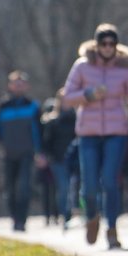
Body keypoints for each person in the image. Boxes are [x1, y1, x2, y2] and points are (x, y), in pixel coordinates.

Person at [62, 24, 128, 249]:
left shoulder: (124, 71)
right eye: (103, 43)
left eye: (112, 44)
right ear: (97, 45)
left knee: (110, 181)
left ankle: (112, 228)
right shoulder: (82, 67)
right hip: (88, 134)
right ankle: (92, 216)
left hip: (116, 133)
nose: (108, 47)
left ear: (116, 46)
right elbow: (67, 97)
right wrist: (88, 94)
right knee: (89, 188)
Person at [0, 70, 43, 232]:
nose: (18, 87)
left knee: (24, 187)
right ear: (10, 86)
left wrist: (39, 151)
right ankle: (14, 218)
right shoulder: (2, 106)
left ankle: (22, 220)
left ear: (26, 86)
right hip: (8, 153)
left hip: (27, 153)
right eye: (16, 83)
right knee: (10, 188)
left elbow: (39, 131)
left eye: (21, 84)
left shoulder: (33, 106)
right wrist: (3, 145)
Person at [41, 89, 77, 230]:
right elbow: (47, 142)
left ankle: (78, 214)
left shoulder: (77, 119)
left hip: (74, 160)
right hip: (58, 160)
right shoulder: (52, 121)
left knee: (75, 188)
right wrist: (46, 156)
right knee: (63, 188)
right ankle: (65, 215)